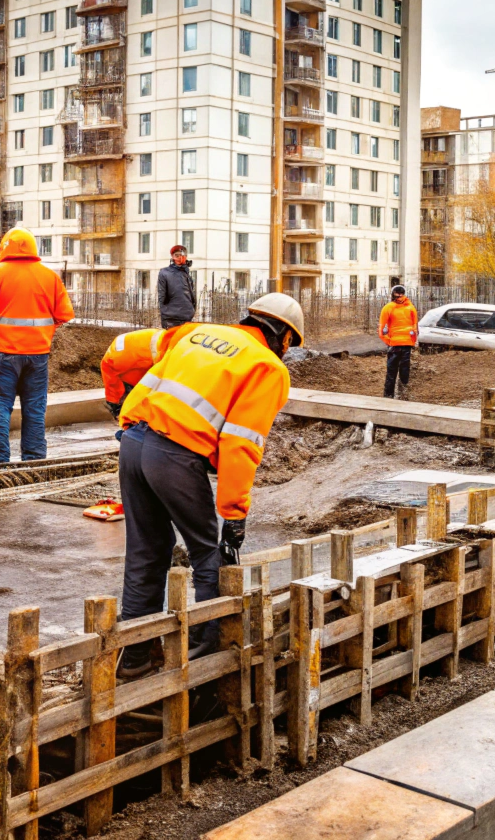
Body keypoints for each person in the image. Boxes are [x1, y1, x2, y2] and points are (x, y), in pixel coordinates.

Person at [114, 292, 300, 679]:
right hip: (173, 455)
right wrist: (233, 514)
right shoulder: (266, 367)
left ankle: (133, 658)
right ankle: (205, 650)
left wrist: (120, 413)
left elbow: (132, 369)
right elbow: (241, 442)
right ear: (282, 336)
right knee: (207, 553)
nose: (287, 351)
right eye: (289, 343)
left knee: (147, 551)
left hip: (133, 445)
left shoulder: (198, 334)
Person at [0, 228, 74, 468]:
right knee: (35, 409)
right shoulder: (49, 276)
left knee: (1, 408)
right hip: (38, 355)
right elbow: (64, 314)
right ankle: (34, 460)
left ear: (5, 248)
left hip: (5, 354)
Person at [88, 321, 199, 522]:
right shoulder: (162, 350)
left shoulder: (135, 358)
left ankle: (137, 447)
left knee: (140, 421)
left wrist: (117, 408)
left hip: (131, 365)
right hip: (133, 367)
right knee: (143, 421)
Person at [379, 285, 418, 399]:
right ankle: (403, 394)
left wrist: (389, 341)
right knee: (404, 370)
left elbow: (382, 330)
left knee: (391, 371)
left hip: (394, 345)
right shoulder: (411, 307)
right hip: (407, 344)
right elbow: (415, 327)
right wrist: (413, 341)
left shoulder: (388, 307)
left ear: (392, 294)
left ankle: (388, 396)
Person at [157, 244, 196, 329]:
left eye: (181, 255)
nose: (179, 258)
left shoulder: (186, 274)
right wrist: (165, 312)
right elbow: (162, 295)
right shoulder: (165, 273)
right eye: (176, 255)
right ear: (172, 257)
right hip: (171, 318)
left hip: (187, 317)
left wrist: (191, 310)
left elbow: (190, 294)